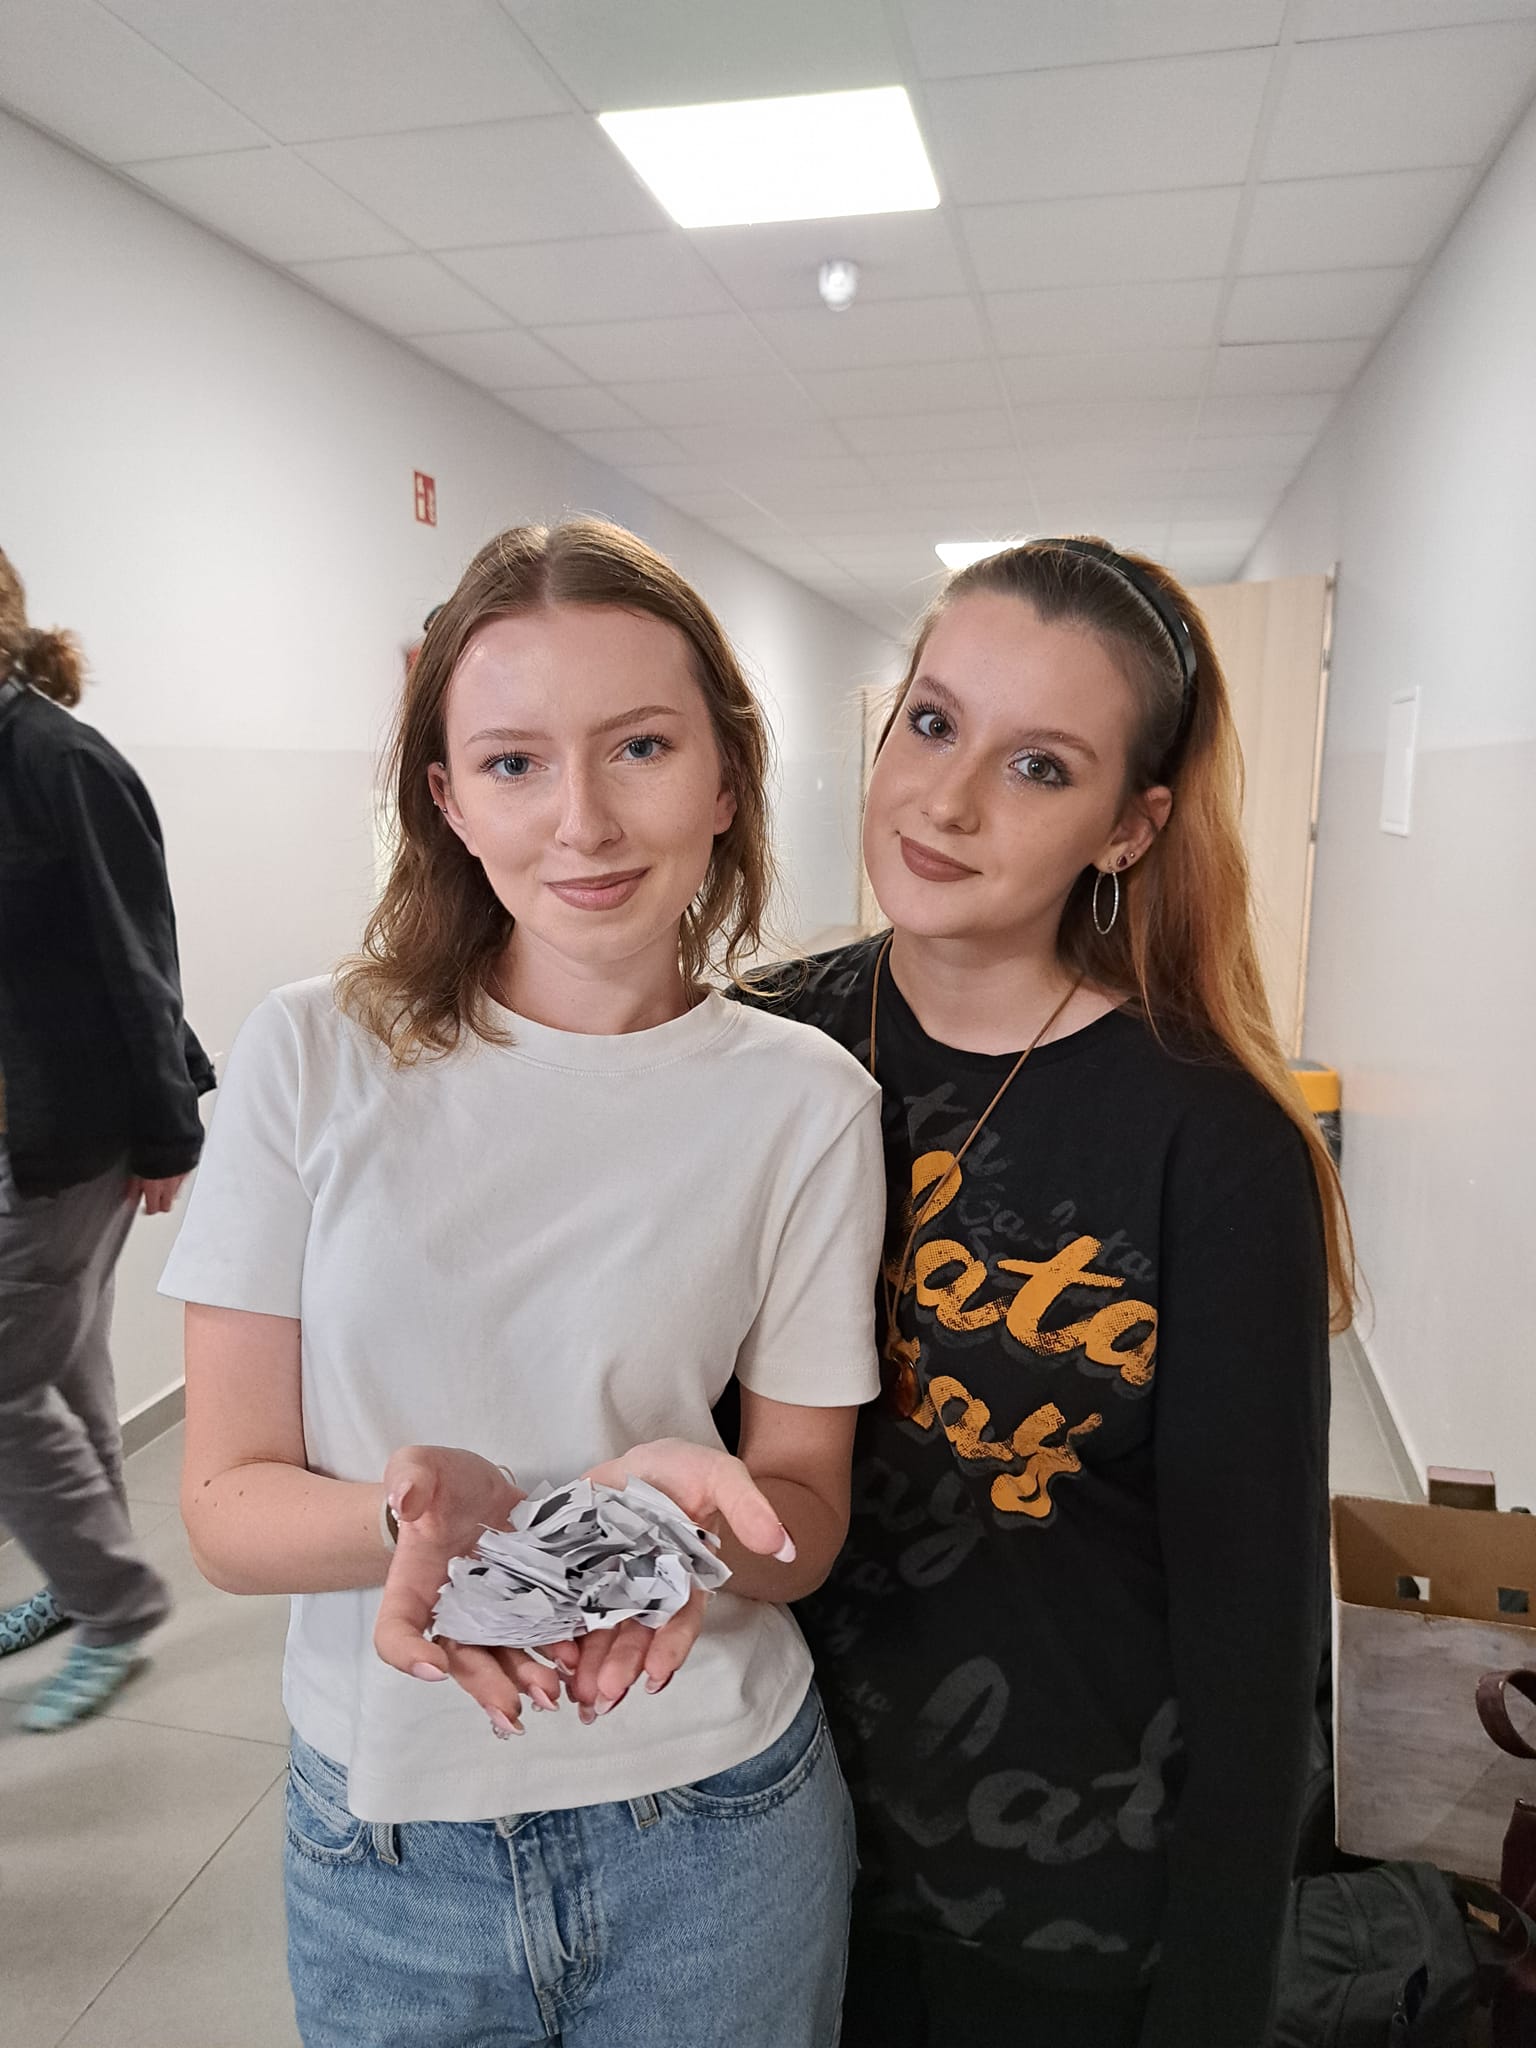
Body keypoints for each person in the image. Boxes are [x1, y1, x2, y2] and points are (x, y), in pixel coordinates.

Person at [159, 519, 885, 2048]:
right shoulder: (313, 1055)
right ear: (445, 796)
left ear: (727, 775)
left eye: (641, 747)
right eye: (512, 763)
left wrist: (693, 1526)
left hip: (715, 1827)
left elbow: (803, 1521)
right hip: (385, 1849)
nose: (584, 823)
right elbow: (222, 1505)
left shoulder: (808, 1100)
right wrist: (416, 1521)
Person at [737, 537, 1352, 2047]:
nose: (946, 800)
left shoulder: (1210, 1140)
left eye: (1039, 767)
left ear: (1129, 827)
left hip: (1061, 1898)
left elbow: (1258, 1635)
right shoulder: (748, 1054)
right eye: (933, 723)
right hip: (748, 1842)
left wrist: (1216, 1995)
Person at [0, 547, 213, 1728]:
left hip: (72, 1128)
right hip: (17, 1129)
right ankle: (84, 1584)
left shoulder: (60, 760)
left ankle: (114, 1600)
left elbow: (140, 959)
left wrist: (166, 1130)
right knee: (65, 1354)